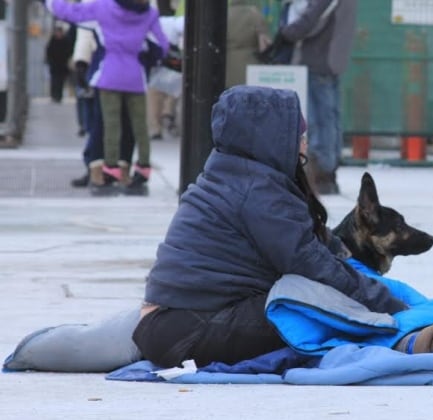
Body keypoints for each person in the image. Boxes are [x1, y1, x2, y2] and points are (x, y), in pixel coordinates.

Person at [131, 86, 407, 368]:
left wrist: (367, 282)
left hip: (172, 324)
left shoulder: (234, 174)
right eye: (298, 137)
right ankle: (406, 341)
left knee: (324, 298)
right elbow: (313, 265)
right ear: (270, 140)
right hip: (189, 330)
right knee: (319, 308)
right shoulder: (258, 192)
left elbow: (316, 247)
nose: (303, 146)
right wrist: (393, 309)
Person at [46, 0, 169, 196]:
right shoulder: (148, 12)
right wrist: (150, 57)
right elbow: (162, 45)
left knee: (108, 125)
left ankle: (108, 171)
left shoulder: (103, 7)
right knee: (139, 127)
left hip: (109, 73)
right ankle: (141, 170)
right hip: (135, 76)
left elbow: (71, 13)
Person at [278, 0, 356, 195]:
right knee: (331, 118)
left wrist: (286, 32)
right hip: (333, 61)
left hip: (317, 59)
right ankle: (329, 171)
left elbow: (310, 20)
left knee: (320, 120)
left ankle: (322, 171)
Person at [69, 26, 138, 193]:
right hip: (111, 60)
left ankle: (107, 169)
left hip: (119, 60)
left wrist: (81, 61)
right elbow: (86, 29)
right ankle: (102, 168)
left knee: (110, 122)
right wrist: (81, 61)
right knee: (105, 122)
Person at [225, 0, 271, 88]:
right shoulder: (254, 13)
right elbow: (264, 44)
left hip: (228, 64)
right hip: (250, 63)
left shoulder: (225, 14)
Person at [45, 23, 74, 104]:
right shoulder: (53, 41)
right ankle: (54, 95)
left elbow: (69, 51)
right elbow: (49, 52)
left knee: (60, 81)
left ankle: (59, 96)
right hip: (54, 65)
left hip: (62, 65)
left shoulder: (65, 41)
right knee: (54, 81)